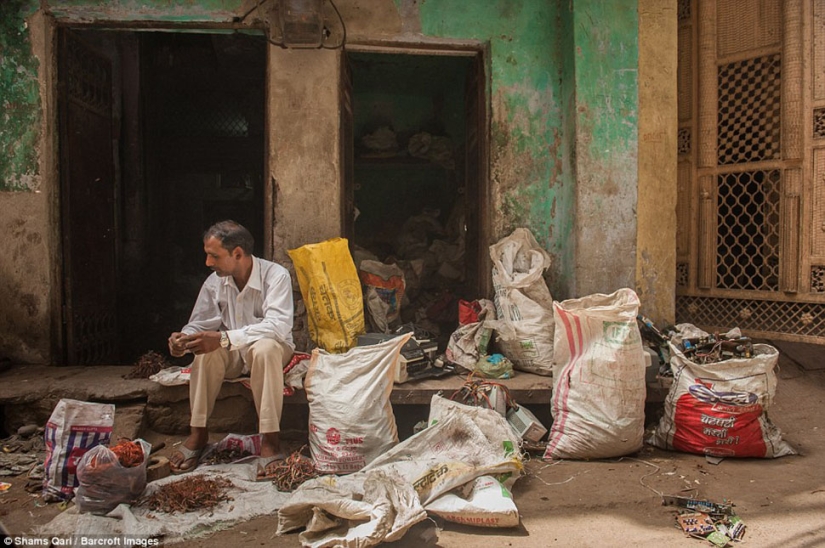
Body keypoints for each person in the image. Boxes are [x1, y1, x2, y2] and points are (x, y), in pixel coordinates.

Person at [167, 220, 294, 476]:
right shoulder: (215, 281)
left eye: (214, 256)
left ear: (237, 253)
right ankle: (198, 433)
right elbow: (201, 322)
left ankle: (270, 440)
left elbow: (278, 327)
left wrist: (223, 339)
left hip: (273, 351)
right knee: (205, 352)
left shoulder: (275, 276)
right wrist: (184, 338)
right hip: (235, 356)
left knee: (265, 348)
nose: (208, 263)